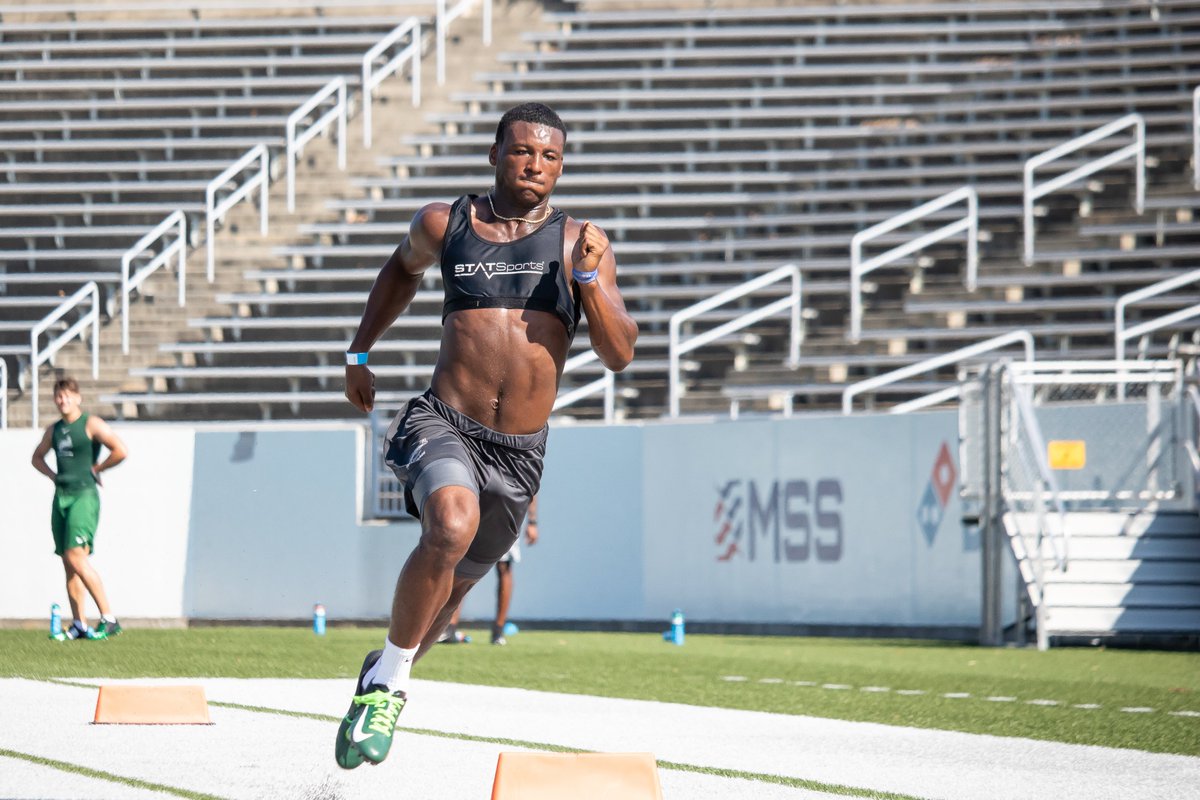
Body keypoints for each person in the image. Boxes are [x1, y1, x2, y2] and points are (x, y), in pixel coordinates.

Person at [335, 102, 637, 770]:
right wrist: (359, 352)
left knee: (451, 596)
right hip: (443, 421)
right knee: (450, 525)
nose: (536, 165)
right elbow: (399, 271)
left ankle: (384, 669)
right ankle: (388, 688)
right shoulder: (445, 223)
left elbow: (620, 352)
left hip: (518, 454)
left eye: (550, 156)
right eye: (523, 150)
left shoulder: (579, 243)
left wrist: (589, 282)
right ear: (495, 154)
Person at [31, 377, 128, 641]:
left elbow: (120, 450)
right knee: (69, 562)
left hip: (83, 496)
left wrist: (98, 468)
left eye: (67, 395)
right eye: (58, 396)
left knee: (76, 557)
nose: (62, 400)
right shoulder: (54, 430)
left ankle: (109, 618)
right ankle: (79, 624)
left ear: (78, 397)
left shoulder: (90, 423)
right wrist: (52, 475)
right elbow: (36, 457)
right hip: (61, 497)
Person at [436, 494, 538, 646]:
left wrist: (532, 521)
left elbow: (532, 484)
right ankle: (449, 628)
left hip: (509, 509)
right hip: (477, 508)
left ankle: (498, 631)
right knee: (463, 566)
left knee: (504, 566)